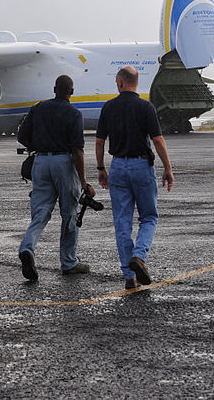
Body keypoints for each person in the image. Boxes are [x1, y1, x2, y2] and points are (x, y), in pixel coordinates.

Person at [95, 66, 174, 289]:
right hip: (142, 165)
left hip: (118, 165)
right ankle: (139, 256)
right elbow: (158, 140)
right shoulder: (146, 107)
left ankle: (129, 276)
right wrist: (167, 167)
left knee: (122, 222)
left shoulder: (108, 107)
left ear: (120, 83)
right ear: (136, 83)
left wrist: (101, 168)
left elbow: (100, 141)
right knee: (149, 217)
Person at [16, 75, 96, 281]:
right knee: (69, 214)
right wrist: (84, 181)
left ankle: (27, 248)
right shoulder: (74, 113)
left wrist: (37, 145)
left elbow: (21, 137)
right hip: (64, 163)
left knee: (41, 213)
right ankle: (69, 262)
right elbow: (77, 151)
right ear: (71, 92)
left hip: (41, 162)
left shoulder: (38, 108)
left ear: (54, 89)